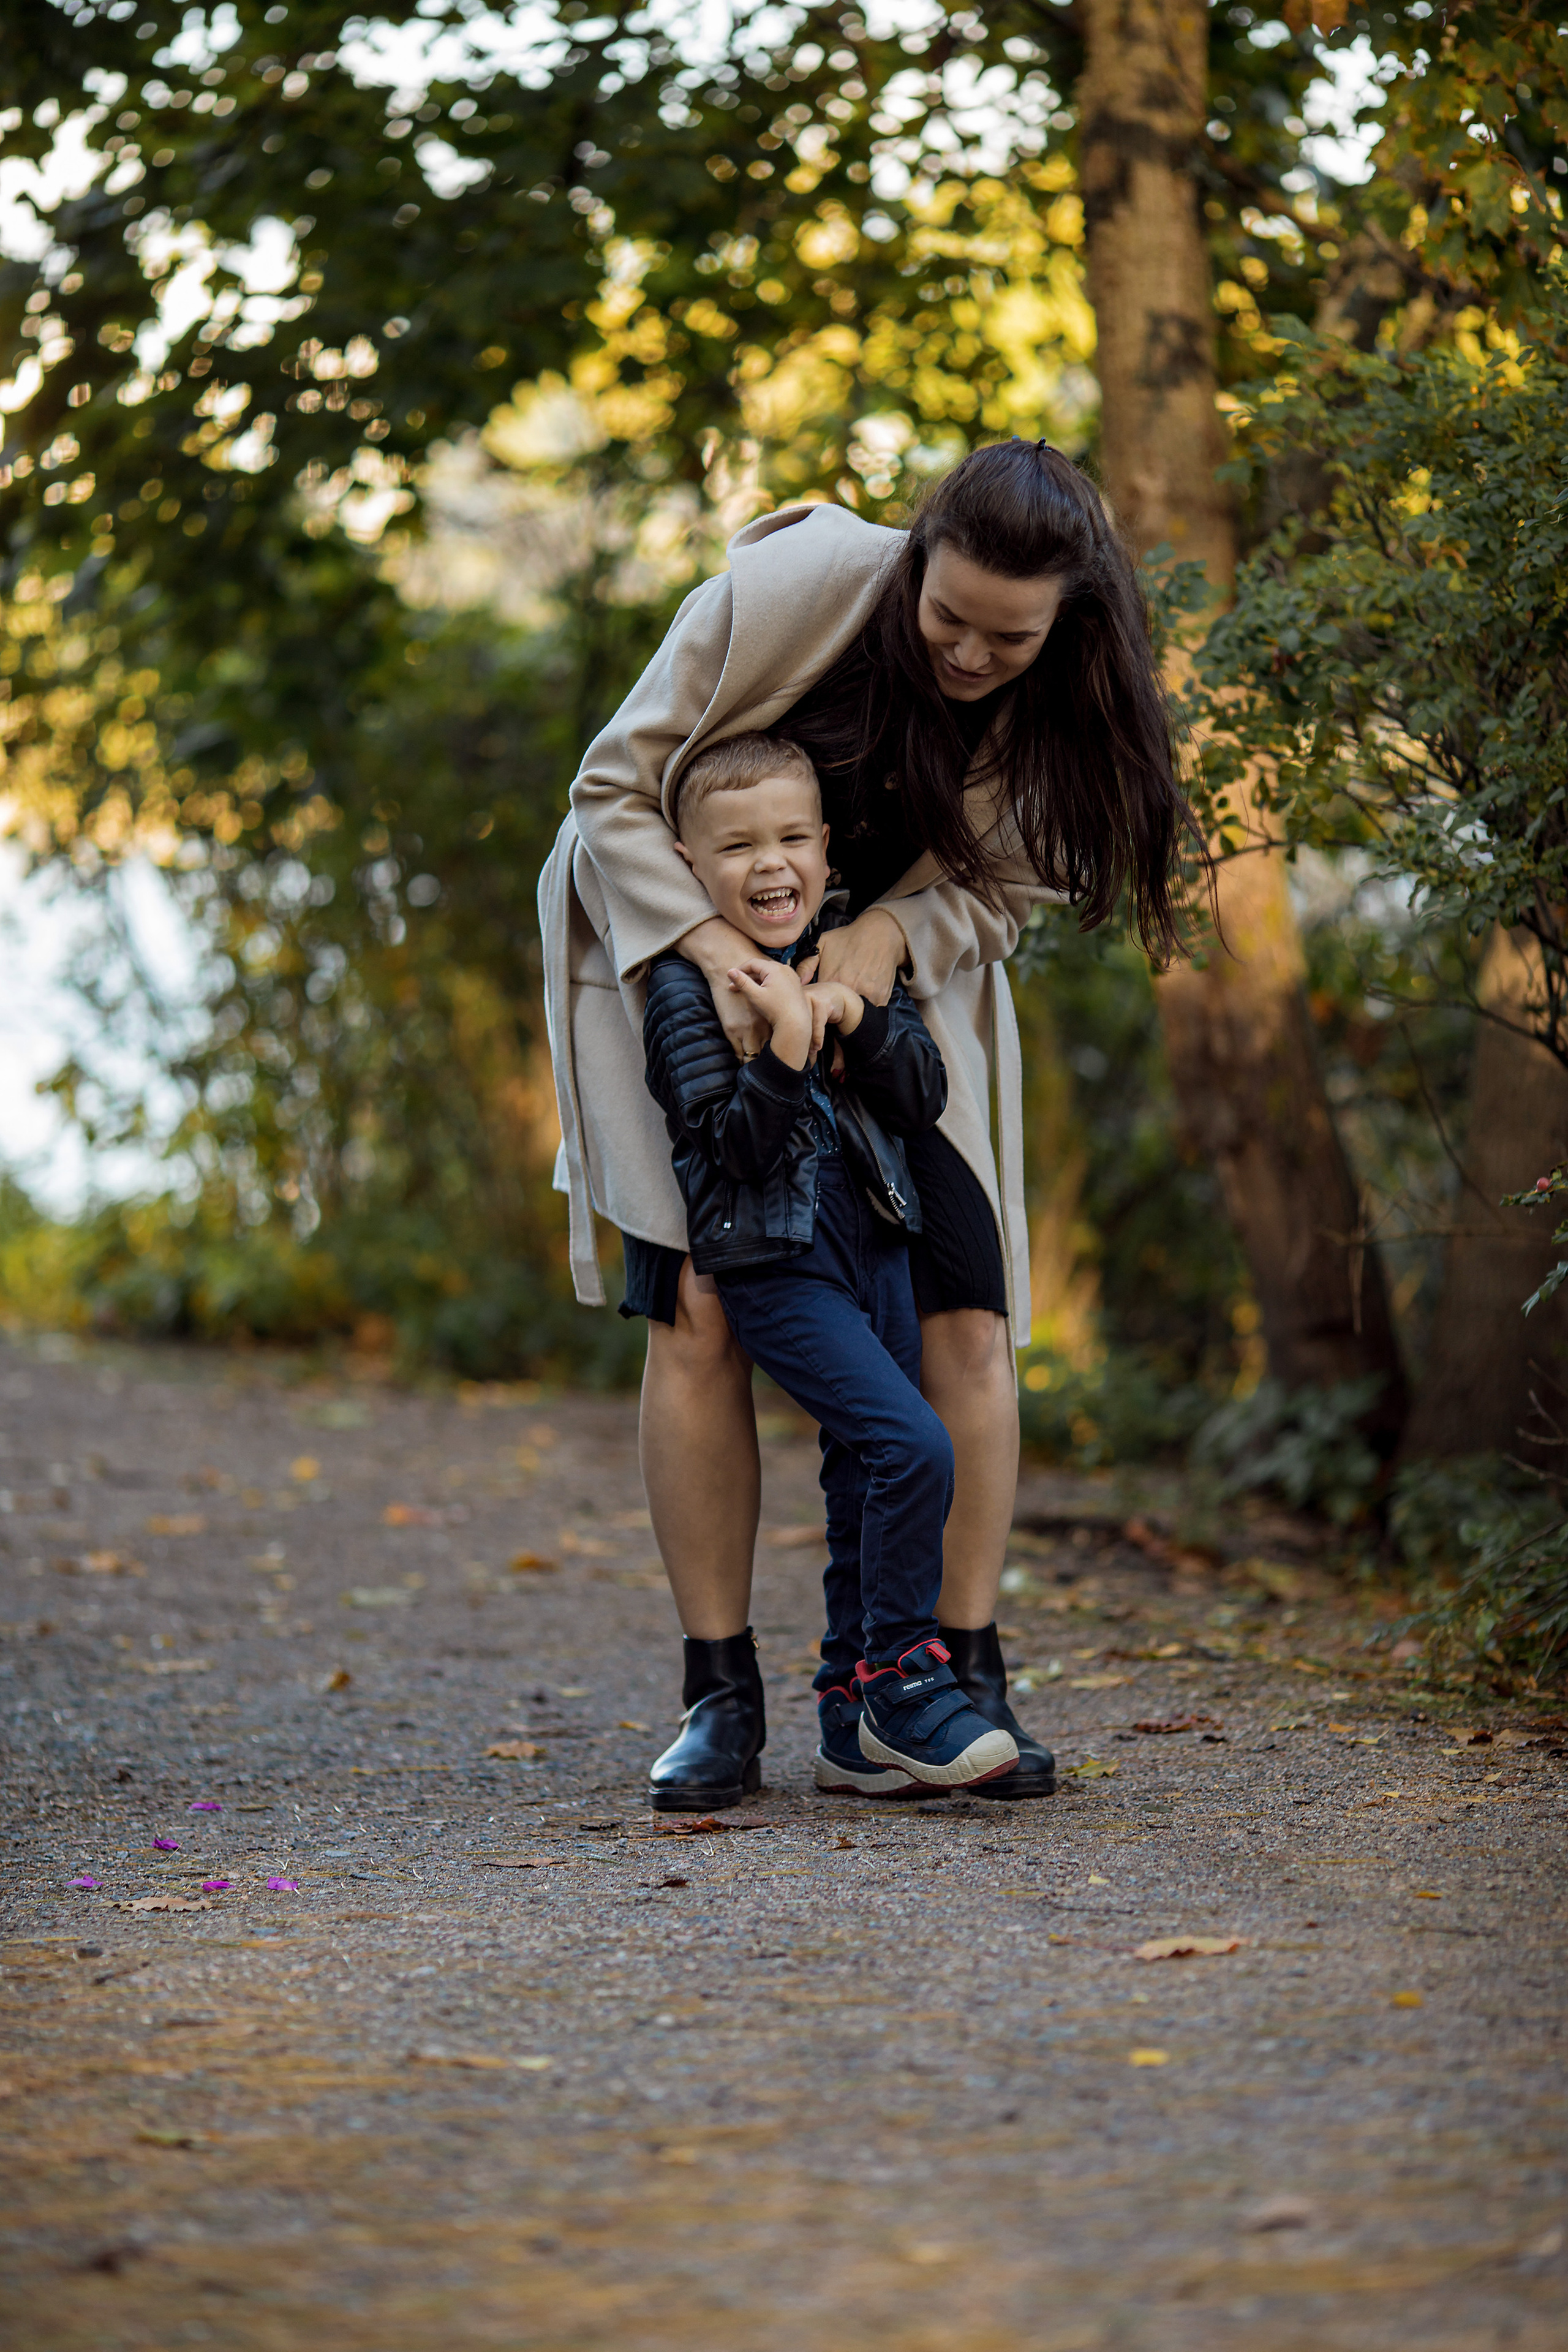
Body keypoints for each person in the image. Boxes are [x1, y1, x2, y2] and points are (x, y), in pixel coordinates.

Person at [538, 439, 1189, 1809]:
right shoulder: (786, 592)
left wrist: (892, 930)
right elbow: (609, 793)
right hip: (679, 964)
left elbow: (1008, 889)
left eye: (1005, 637)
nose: (964, 650)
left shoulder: (1058, 696)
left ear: (1067, 619)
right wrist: (724, 957)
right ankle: (720, 1695)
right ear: (913, 557)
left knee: (964, 1305)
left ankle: (947, 1669)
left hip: (897, 1001)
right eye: (944, 614)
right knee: (703, 1307)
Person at [641, 729, 1017, 1806]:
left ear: (824, 845)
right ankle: (905, 1680)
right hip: (778, 1264)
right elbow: (728, 1151)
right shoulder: (689, 987)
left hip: (878, 1248)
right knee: (913, 1448)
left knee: (864, 1475)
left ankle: (852, 1724)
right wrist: (787, 1050)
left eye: (794, 837)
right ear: (689, 868)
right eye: (740, 846)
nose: (773, 865)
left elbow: (921, 1098)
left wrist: (861, 1019)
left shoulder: (841, 950)